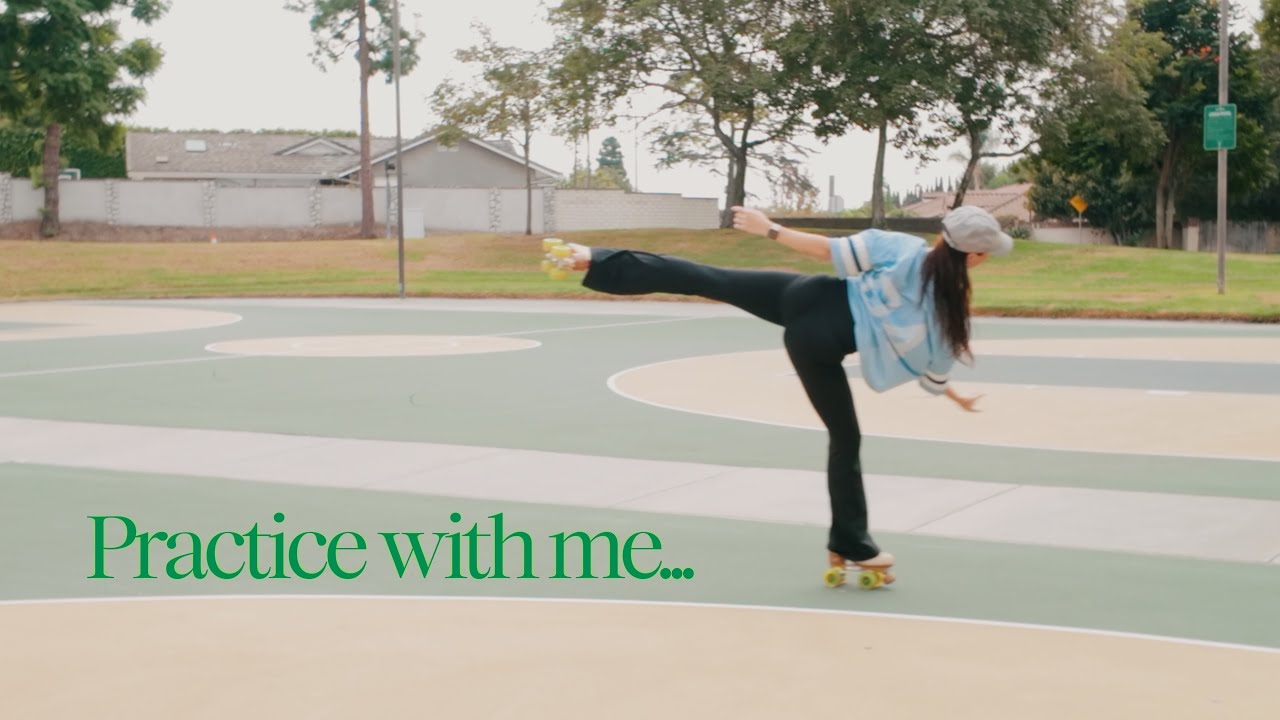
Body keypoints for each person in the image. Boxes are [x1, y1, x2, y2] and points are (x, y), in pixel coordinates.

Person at [548, 204, 1013, 584]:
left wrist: (770, 230)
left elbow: (827, 251)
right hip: (815, 346)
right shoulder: (950, 313)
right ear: (974, 257)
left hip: (801, 295)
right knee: (845, 440)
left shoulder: (903, 248)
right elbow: (933, 371)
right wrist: (953, 397)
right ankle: (849, 542)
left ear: (942, 239)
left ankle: (590, 257)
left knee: (706, 277)